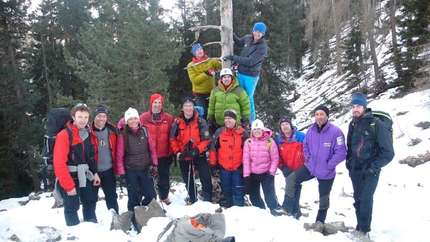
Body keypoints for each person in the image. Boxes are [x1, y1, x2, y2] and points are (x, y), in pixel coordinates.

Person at [283, 104, 346, 224]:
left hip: (326, 171)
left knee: (323, 199)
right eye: (317, 114)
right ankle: (288, 209)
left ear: (327, 115)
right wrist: (308, 157)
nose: (319, 117)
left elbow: (341, 152)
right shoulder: (311, 130)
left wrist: (329, 164)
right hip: (310, 167)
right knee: (291, 180)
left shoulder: (335, 132)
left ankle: (320, 222)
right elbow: (305, 145)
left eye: (322, 114)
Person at [346, 93, 395, 237]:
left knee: (366, 198)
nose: (355, 109)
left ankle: (364, 231)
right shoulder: (353, 124)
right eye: (353, 106)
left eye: (358, 106)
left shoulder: (376, 124)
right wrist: (349, 163)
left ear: (364, 107)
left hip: (371, 168)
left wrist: (373, 167)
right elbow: (349, 147)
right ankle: (359, 227)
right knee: (357, 198)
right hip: (355, 168)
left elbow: (388, 152)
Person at [53, 103, 100, 226]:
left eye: (85, 117)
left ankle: (92, 228)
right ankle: (73, 233)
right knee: (72, 207)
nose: (83, 120)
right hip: (70, 176)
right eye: (80, 117)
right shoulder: (65, 135)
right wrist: (68, 185)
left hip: (84, 175)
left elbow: (90, 156)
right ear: (73, 117)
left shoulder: (87, 133)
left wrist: (95, 173)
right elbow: (59, 163)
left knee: (90, 202)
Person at [170, 97, 212, 204]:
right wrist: (178, 153)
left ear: (193, 108)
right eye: (186, 106)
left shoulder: (200, 121)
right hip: (184, 154)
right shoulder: (177, 123)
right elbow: (172, 139)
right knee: (187, 179)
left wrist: (197, 150)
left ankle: (207, 199)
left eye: (190, 106)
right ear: (182, 108)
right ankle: (192, 198)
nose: (188, 108)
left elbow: (206, 140)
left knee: (205, 178)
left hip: (198, 153)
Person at [223, 22, 268, 123]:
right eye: (255, 31)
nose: (256, 34)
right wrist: (231, 33)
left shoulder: (262, 47)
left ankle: (251, 121)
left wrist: (234, 58)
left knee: (248, 98)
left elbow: (250, 61)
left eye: (259, 32)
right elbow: (239, 43)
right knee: (239, 95)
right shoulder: (248, 38)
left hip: (251, 76)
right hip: (241, 73)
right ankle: (239, 118)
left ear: (263, 34)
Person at [116, 107, 159, 212]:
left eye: (135, 118)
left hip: (145, 168)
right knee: (133, 195)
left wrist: (154, 164)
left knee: (151, 194)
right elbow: (119, 156)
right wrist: (122, 174)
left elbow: (152, 149)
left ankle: (148, 211)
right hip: (131, 170)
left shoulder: (144, 131)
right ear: (127, 121)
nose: (133, 121)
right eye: (130, 119)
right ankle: (133, 213)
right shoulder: (123, 135)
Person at [242, 119, 284, 216]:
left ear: (263, 130)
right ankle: (262, 213)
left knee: (270, 197)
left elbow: (275, 159)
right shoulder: (248, 142)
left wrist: (271, 174)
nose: (257, 131)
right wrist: (246, 176)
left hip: (266, 174)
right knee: (254, 197)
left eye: (259, 129)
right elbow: (246, 160)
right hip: (253, 174)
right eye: (255, 129)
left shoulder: (270, 142)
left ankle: (275, 213)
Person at [139, 94, 175, 205]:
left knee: (164, 177)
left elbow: (172, 137)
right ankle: (148, 198)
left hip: (163, 153)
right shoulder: (143, 118)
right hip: (148, 154)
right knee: (147, 177)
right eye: (155, 102)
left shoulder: (168, 118)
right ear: (151, 103)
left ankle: (164, 197)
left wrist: (171, 154)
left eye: (159, 103)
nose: (157, 105)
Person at [209, 109, 249, 207]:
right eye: (226, 118)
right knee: (226, 190)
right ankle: (230, 209)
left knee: (239, 191)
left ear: (235, 120)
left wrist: (246, 167)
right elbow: (213, 150)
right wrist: (213, 165)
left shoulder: (242, 133)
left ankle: (240, 210)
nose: (227, 120)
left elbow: (248, 151)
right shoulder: (219, 132)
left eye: (230, 118)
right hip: (224, 168)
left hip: (238, 168)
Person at [89, 105, 119, 214]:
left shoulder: (112, 130)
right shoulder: (88, 132)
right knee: (91, 198)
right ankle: (90, 220)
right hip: (93, 172)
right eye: (99, 116)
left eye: (104, 116)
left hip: (109, 170)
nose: (102, 119)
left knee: (111, 197)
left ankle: (115, 217)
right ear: (94, 117)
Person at [275, 116, 306, 219]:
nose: (285, 126)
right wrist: (282, 167)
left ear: (291, 125)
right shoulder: (279, 140)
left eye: (286, 124)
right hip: (288, 168)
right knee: (294, 187)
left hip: (301, 168)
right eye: (282, 125)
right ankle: (296, 212)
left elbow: (308, 151)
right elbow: (276, 156)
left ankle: (288, 209)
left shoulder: (301, 136)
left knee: (292, 184)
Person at [207, 68, 251, 134]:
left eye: (228, 77)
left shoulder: (240, 91)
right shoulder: (215, 91)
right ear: (221, 79)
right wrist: (210, 119)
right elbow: (211, 107)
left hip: (234, 125)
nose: (226, 79)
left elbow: (246, 106)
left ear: (231, 78)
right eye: (224, 77)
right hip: (219, 125)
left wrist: (245, 120)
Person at [187, 43, 222, 119]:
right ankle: (203, 128)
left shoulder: (210, 61)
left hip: (212, 91)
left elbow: (221, 65)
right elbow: (194, 80)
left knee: (214, 111)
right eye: (197, 50)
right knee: (202, 112)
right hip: (199, 93)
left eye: (201, 49)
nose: (200, 51)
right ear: (194, 53)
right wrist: (206, 73)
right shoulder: (191, 65)